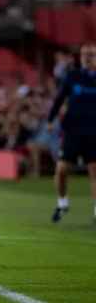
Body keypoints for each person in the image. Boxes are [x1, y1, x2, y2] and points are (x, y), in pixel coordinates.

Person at [48, 42, 96, 223]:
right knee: (61, 169)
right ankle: (62, 203)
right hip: (73, 131)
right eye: (85, 54)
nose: (88, 57)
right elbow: (60, 98)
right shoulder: (73, 76)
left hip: (94, 132)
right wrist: (50, 119)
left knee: (94, 171)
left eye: (91, 54)